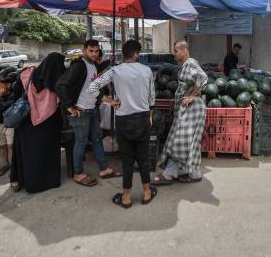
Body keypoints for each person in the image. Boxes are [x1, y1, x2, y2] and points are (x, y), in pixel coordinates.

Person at [89, 40, 157, 208]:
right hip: (142, 119)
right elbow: (152, 98)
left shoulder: (115, 71)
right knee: (143, 159)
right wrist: (150, 116)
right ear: (135, 54)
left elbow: (93, 87)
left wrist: (108, 100)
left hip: (123, 120)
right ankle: (147, 193)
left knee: (126, 160)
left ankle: (126, 197)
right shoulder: (147, 70)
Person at [56, 40, 121, 187]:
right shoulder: (79, 66)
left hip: (92, 110)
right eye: (91, 51)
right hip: (81, 112)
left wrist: (107, 100)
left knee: (97, 139)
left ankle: (104, 169)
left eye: (96, 51)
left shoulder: (92, 66)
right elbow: (60, 85)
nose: (94, 54)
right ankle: (78, 174)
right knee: (81, 143)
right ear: (84, 50)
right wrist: (70, 107)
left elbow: (92, 89)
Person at [153, 41, 208, 185]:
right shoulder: (186, 65)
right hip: (188, 110)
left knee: (178, 141)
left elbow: (202, 77)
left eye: (176, 50)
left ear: (184, 50)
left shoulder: (190, 63)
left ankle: (170, 173)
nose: (174, 53)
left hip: (192, 110)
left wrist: (191, 96)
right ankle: (193, 174)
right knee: (185, 143)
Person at [9, 52, 65, 193]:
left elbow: (16, 96)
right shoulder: (57, 82)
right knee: (47, 154)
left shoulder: (26, 75)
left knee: (26, 154)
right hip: (49, 126)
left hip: (27, 124)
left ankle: (20, 180)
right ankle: (47, 181)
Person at [0, 78, 15, 176]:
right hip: (0, 124)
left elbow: (5, 107)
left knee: (11, 145)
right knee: (2, 145)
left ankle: (15, 167)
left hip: (10, 124)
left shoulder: (12, 96)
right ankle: (6, 164)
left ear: (8, 85)